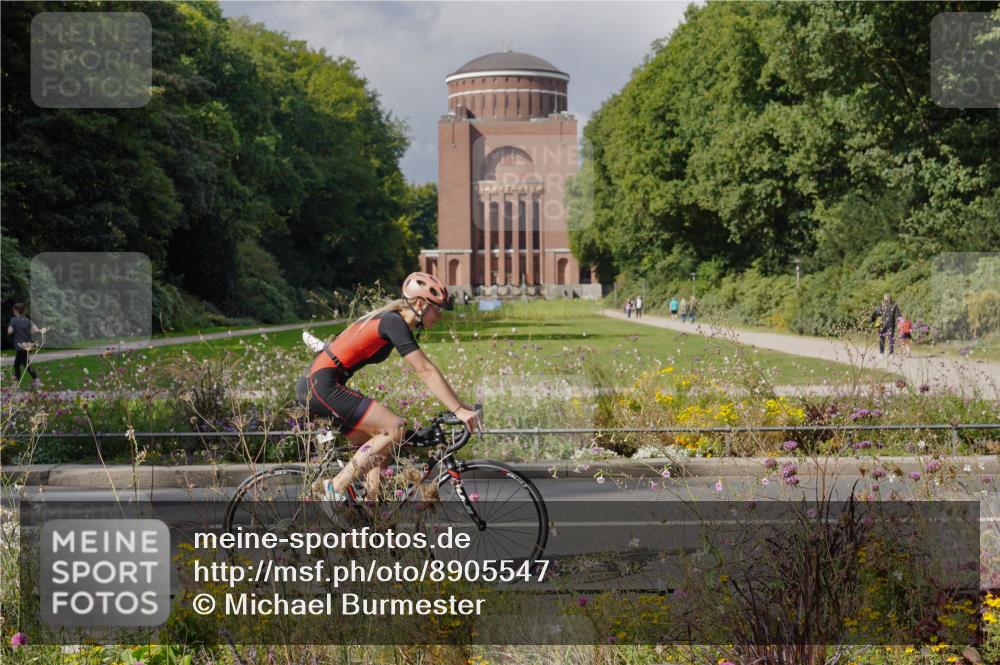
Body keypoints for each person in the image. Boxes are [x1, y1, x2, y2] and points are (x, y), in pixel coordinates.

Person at [298, 272, 482, 502]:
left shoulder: (391, 320)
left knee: (379, 448)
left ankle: (372, 516)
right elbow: (424, 369)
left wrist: (461, 406)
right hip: (321, 386)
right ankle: (335, 486)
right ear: (419, 304)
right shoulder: (393, 322)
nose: (440, 316)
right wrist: (458, 409)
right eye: (437, 309)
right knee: (395, 428)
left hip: (321, 385)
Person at [7, 303, 48, 386]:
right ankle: (17, 383)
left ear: (16, 310)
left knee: (25, 364)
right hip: (28, 345)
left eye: (14, 310)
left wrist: (14, 329)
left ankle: (36, 381)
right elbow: (36, 330)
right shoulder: (28, 320)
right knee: (18, 364)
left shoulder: (13, 320)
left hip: (20, 346)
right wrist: (43, 330)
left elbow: (9, 331)